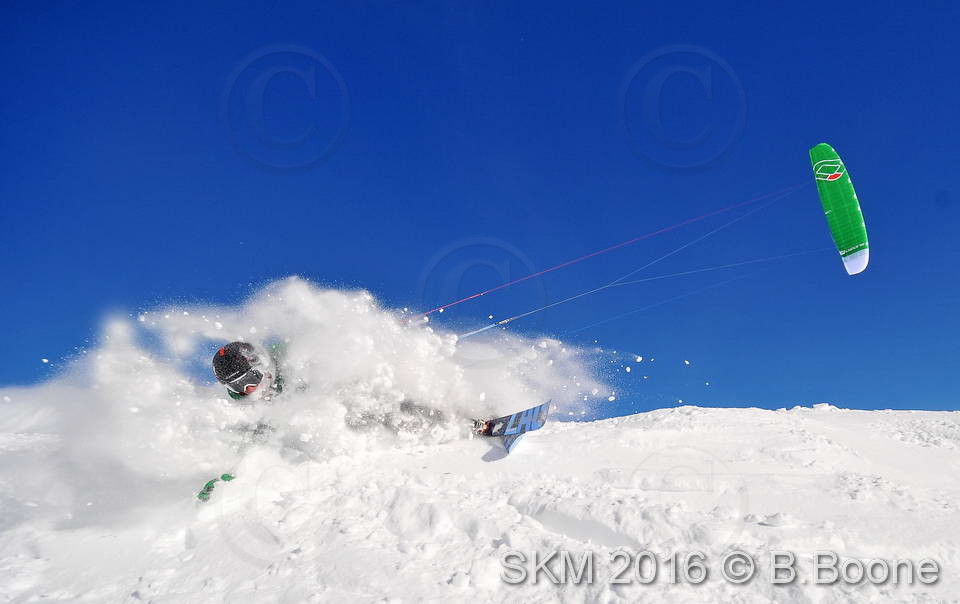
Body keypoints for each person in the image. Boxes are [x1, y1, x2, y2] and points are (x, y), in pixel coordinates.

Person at [212, 341, 285, 401]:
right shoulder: (230, 404)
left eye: (251, 378)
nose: (250, 389)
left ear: (263, 365)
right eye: (237, 386)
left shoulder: (287, 359)